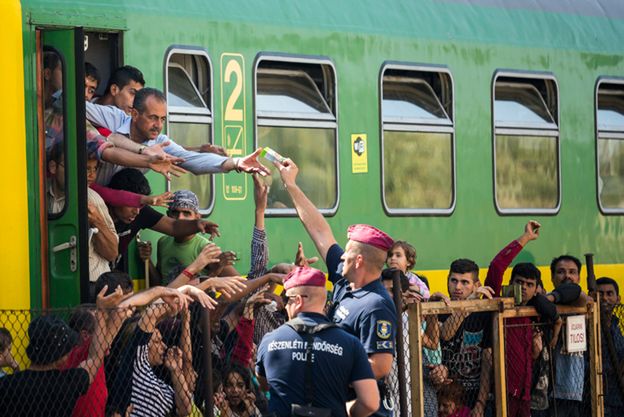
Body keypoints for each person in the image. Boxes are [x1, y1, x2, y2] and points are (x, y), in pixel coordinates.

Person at [275, 158, 397, 417]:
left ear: (360, 260)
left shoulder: (376, 305)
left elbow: (381, 365)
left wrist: (328, 370)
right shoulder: (345, 282)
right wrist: (291, 185)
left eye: (347, 253)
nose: (341, 257)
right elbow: (320, 231)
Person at [256, 266, 380, 417]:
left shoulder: (270, 340)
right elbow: (370, 403)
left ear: (298, 300)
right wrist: (347, 412)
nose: (285, 305)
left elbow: (264, 384)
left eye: (287, 299)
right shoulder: (350, 344)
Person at [85, 87, 271, 184]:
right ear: (134, 115)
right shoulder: (113, 118)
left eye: (163, 119)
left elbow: (194, 161)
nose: (158, 125)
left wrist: (237, 163)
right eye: (153, 118)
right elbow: (71, 102)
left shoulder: (161, 143)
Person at [0, 285, 129, 417]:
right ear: (59, 356)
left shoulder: (6, 385)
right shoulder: (67, 383)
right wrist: (101, 312)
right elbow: (96, 357)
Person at [483, 221, 561, 417]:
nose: (524, 288)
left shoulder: (534, 312)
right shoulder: (501, 305)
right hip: (501, 395)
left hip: (525, 396)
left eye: (529, 284)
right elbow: (496, 267)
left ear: (537, 288)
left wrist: (535, 354)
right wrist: (525, 238)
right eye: (519, 283)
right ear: (511, 284)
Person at [105, 168, 219, 271]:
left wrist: (198, 224)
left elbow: (173, 226)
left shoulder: (141, 212)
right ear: (116, 198)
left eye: (140, 205)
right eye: (131, 204)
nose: (137, 211)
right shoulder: (97, 212)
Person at [438, 259, 492, 416]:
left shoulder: (485, 314)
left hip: (475, 396)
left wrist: (480, 404)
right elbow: (445, 334)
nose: (458, 287)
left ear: (476, 285)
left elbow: (487, 361)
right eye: (453, 280)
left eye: (465, 282)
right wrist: (467, 304)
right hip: (445, 398)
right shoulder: (440, 308)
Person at [157, 190, 214, 281]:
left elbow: (239, 286)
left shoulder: (205, 247)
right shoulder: (163, 242)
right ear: (168, 215)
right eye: (175, 213)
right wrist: (146, 260)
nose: (180, 218)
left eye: (186, 213)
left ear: (197, 217)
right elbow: (159, 282)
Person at [596, 277, 624, 417]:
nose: (604, 298)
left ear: (618, 299)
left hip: (617, 398)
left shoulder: (617, 326)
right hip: (595, 398)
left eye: (609, 293)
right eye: (600, 294)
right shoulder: (588, 327)